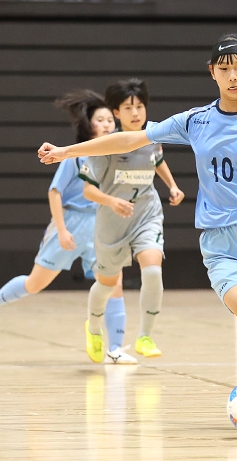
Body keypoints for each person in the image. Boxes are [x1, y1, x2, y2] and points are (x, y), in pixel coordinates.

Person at [38, 34, 237, 435]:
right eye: (223, 68)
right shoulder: (195, 120)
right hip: (221, 243)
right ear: (212, 73)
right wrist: (69, 151)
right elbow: (132, 138)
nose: (232, 75)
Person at [0, 90, 134, 364]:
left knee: (115, 283)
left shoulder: (114, 157)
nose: (108, 124)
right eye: (101, 120)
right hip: (72, 223)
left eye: (111, 120)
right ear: (89, 125)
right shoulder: (74, 157)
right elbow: (54, 192)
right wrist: (61, 230)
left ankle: (116, 349)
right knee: (34, 284)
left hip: (100, 224)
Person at [78, 79, 185, 364]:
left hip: (146, 215)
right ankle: (93, 328)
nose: (136, 113)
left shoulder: (151, 137)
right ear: (116, 113)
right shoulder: (107, 146)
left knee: (152, 270)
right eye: (129, 108)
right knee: (106, 284)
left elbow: (156, 160)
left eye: (140, 107)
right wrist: (111, 201)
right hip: (112, 223)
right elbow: (87, 189)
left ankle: (145, 336)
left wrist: (172, 185)